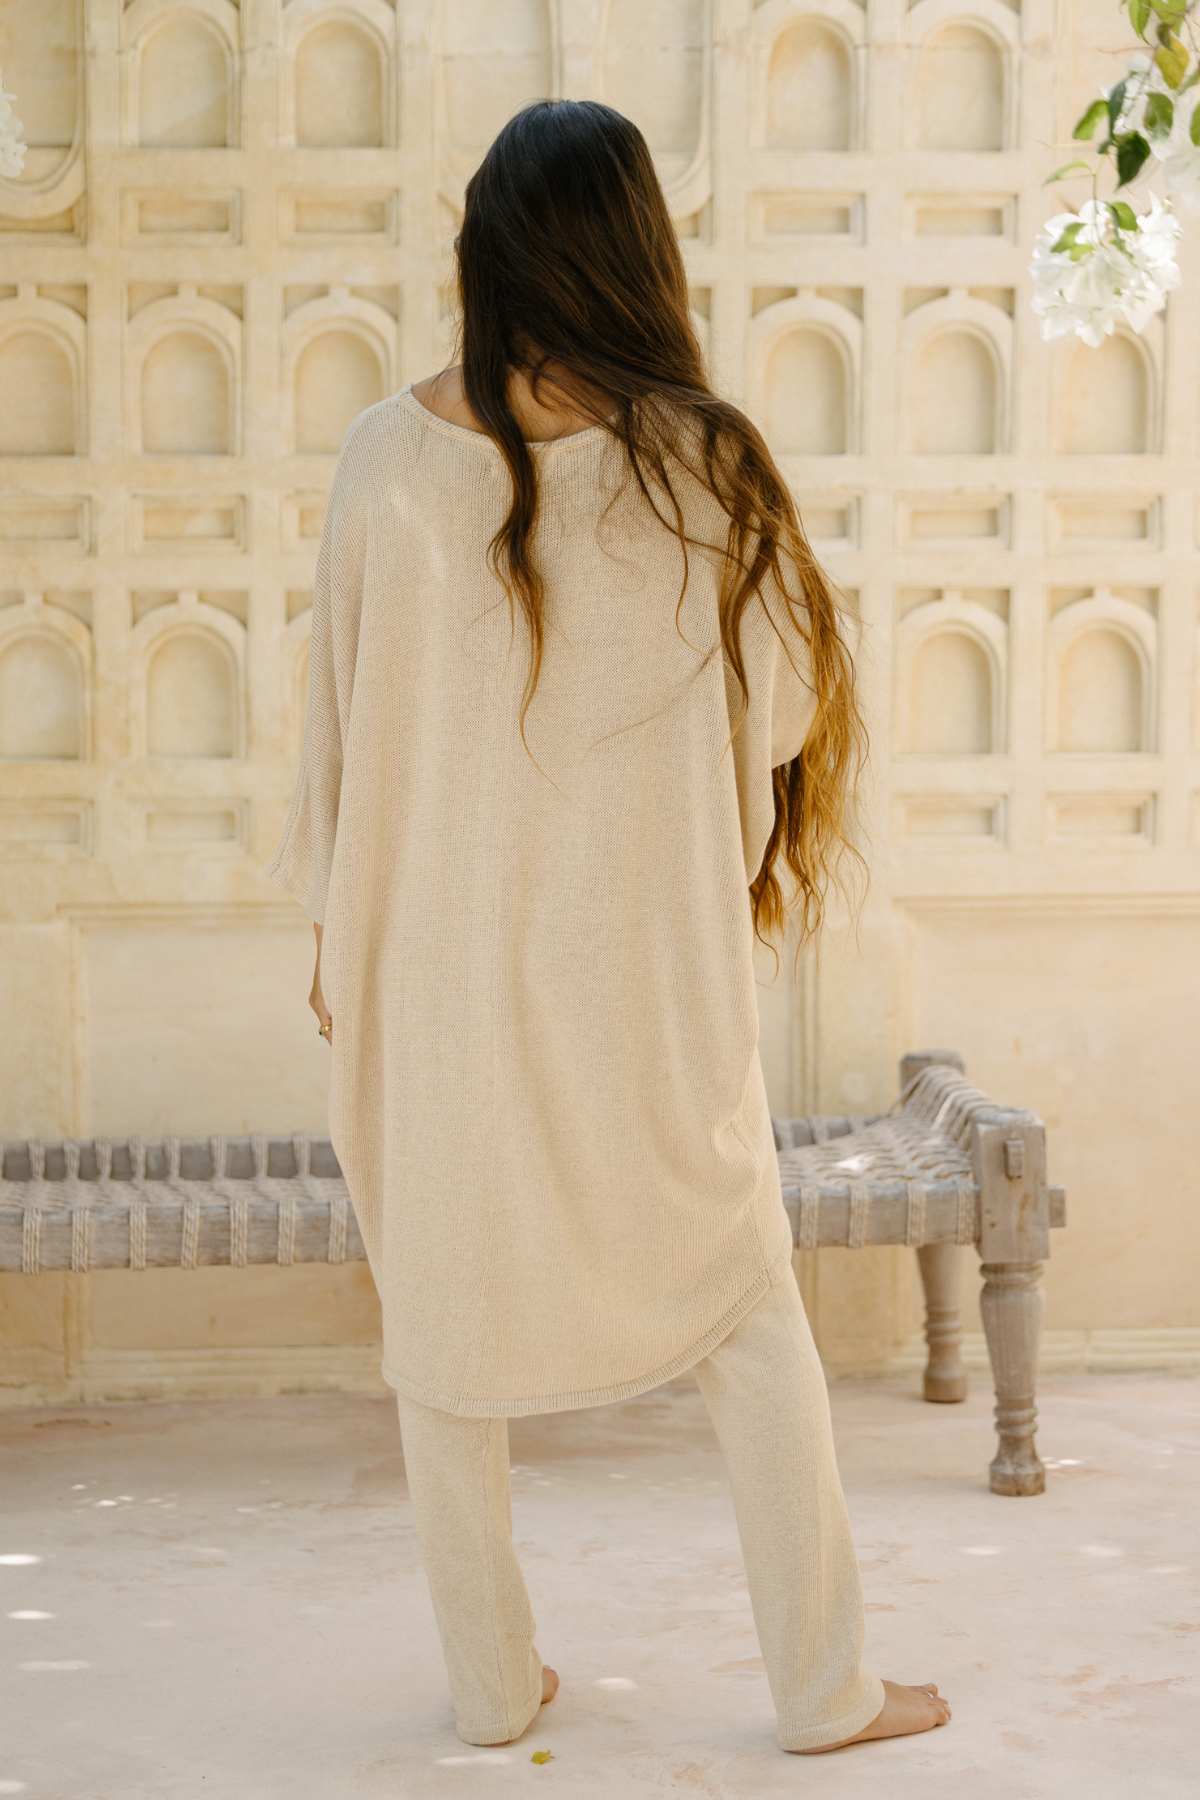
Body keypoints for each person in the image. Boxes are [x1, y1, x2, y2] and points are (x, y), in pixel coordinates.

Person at [266, 97, 951, 1756]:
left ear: (485, 250)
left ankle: (495, 1694)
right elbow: (782, 714)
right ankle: (827, 1689)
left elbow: (332, 735)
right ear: (640, 250)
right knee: (740, 1306)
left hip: (425, 966)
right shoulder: (704, 466)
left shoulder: (383, 458)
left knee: (441, 1317)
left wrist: (329, 942)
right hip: (642, 977)